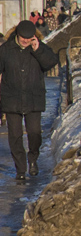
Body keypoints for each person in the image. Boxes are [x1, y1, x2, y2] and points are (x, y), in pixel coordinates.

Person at [0, 20, 59, 181]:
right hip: (12, 99)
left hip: (34, 99)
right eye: (22, 38)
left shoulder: (39, 47)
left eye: (29, 38)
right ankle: (20, 169)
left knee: (34, 133)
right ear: (17, 35)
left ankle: (33, 158)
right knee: (15, 136)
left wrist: (38, 50)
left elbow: (51, 63)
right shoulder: (5, 50)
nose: (25, 41)